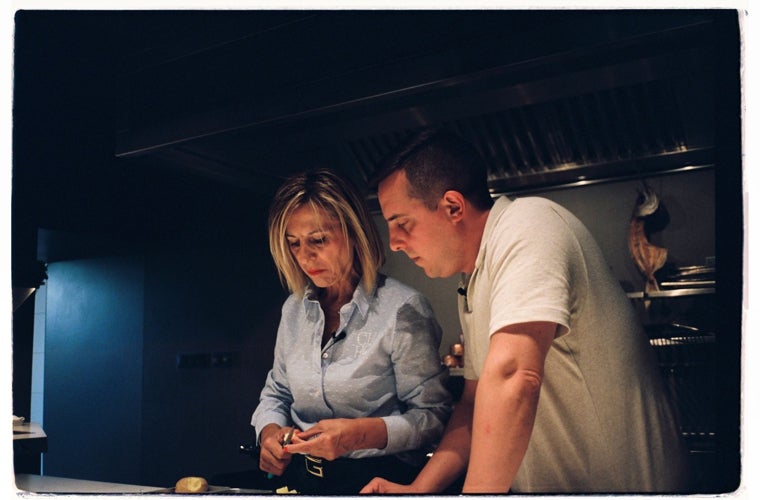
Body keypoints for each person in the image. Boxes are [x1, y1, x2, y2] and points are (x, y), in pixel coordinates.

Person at [360, 128, 689, 494]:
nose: (395, 244)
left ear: (453, 207)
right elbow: (472, 405)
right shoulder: (471, 280)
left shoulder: (529, 224)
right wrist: (420, 489)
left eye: (402, 224)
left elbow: (514, 376)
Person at [250, 168, 452, 495]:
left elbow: (432, 418)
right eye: (294, 244)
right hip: (303, 481)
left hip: (375, 481)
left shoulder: (403, 309)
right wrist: (269, 431)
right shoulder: (294, 309)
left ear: (354, 232)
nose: (305, 257)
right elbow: (277, 392)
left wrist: (357, 435)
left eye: (318, 240)